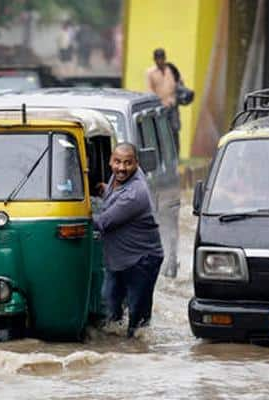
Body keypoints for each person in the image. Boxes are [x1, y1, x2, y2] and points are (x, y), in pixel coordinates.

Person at [93, 143, 164, 338]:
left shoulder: (135, 193)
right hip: (118, 261)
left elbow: (103, 222)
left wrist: (73, 210)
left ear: (136, 164)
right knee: (109, 309)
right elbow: (116, 194)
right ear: (110, 161)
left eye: (128, 163)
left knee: (138, 325)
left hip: (142, 261)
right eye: (117, 162)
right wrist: (105, 190)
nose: (122, 168)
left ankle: (139, 358)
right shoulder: (117, 178)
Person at [146, 48, 181, 153]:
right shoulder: (151, 73)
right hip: (160, 107)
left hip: (172, 105)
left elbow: (179, 83)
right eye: (158, 59)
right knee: (160, 133)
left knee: (174, 130)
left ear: (165, 58)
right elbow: (149, 90)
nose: (160, 61)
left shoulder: (171, 70)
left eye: (162, 58)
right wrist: (157, 103)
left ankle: (176, 154)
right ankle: (162, 155)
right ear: (155, 59)